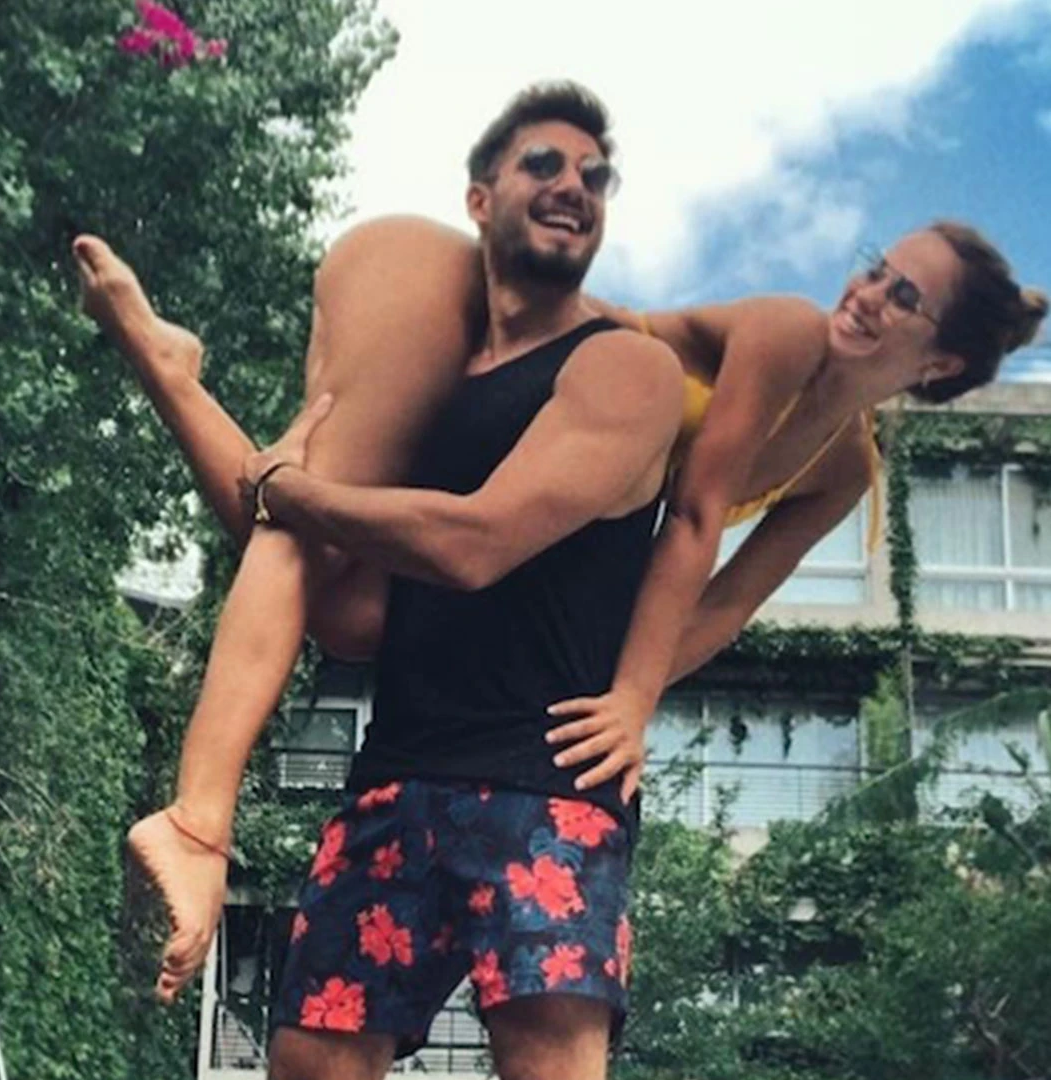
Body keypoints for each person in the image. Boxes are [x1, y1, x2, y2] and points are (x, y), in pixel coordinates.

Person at [75, 86, 1049, 1013]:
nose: (868, 293)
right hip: (481, 324)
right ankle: (198, 820)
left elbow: (723, 604)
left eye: (904, 295)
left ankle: (171, 372)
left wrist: (612, 700)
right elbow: (695, 516)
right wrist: (629, 699)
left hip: (536, 459)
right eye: (878, 267)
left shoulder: (846, 471)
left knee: (352, 614)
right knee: (302, 534)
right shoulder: (787, 333)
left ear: (942, 362)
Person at [96, 81, 685, 1079]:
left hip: (545, 784)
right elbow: (307, 562)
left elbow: (473, 543)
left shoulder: (622, 369)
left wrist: (290, 490)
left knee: (547, 1065)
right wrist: (175, 385)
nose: (574, 186)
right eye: (544, 163)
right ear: (479, 199)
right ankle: (197, 822)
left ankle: (201, 821)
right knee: (309, 1063)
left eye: (596, 176)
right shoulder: (429, 386)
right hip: (397, 772)